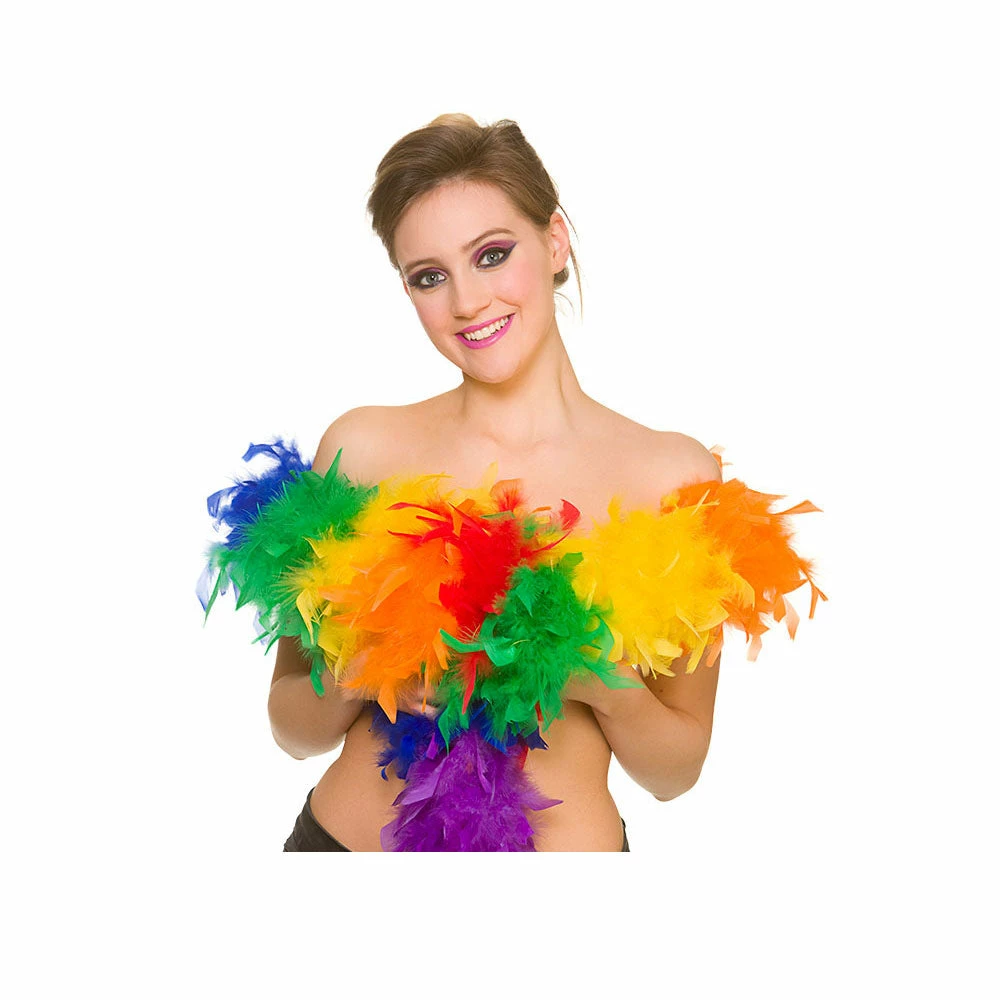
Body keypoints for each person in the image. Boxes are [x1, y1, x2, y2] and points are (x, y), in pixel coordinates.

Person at [275, 113, 723, 851]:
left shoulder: (675, 478)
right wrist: (360, 677)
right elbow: (291, 727)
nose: (467, 302)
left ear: (555, 242)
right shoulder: (361, 449)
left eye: (492, 255)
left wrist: (599, 682)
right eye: (429, 276)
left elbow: (676, 772)